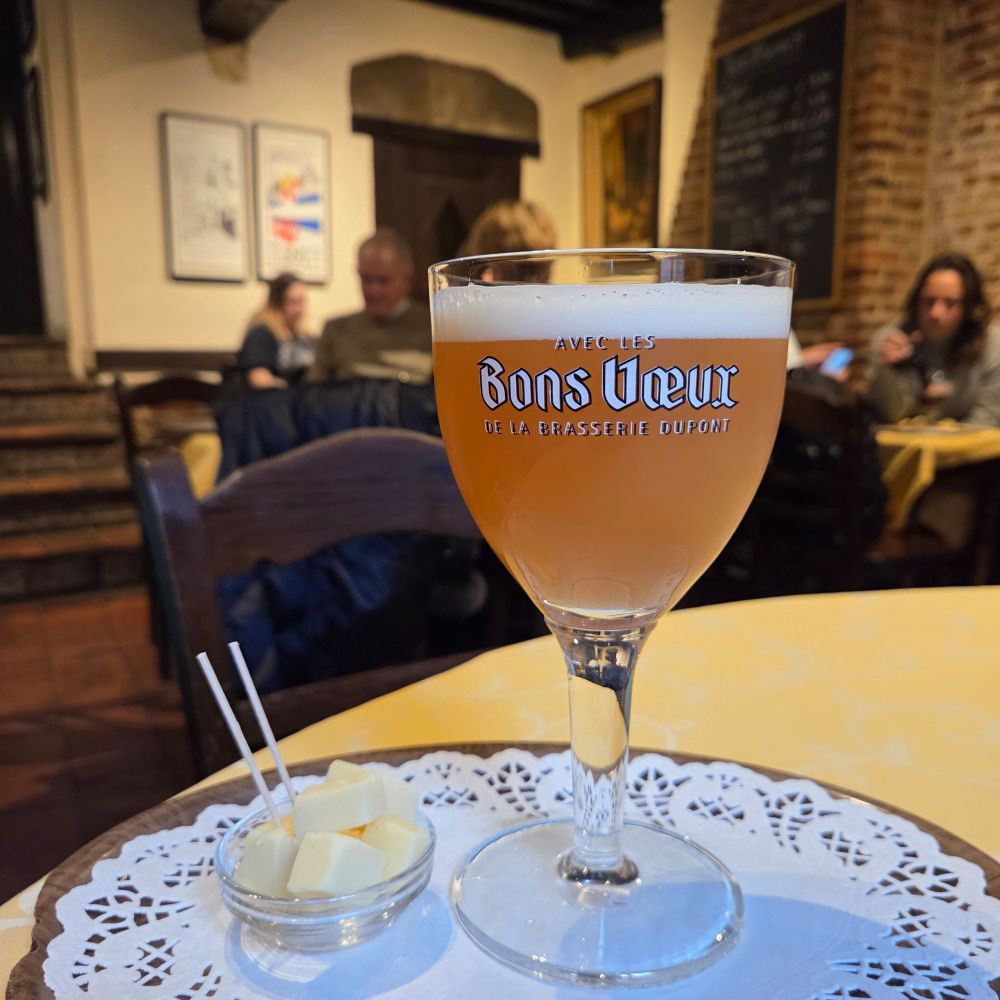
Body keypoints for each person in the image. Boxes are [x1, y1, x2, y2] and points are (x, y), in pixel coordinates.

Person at [867, 253, 1000, 426]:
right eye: (928, 301)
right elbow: (890, 415)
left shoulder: (992, 343)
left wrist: (943, 440)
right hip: (908, 446)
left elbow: (989, 418)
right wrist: (885, 370)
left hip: (973, 448)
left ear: (969, 308)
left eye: (950, 303)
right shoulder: (893, 341)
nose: (935, 313)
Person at [308, 229, 432, 385]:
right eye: (366, 279)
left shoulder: (435, 328)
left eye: (383, 280)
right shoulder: (336, 329)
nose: (374, 290)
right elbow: (312, 396)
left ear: (407, 279)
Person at [237, 273, 314, 388]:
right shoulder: (261, 334)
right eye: (292, 302)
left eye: (301, 302)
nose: (299, 309)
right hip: (275, 401)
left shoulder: (304, 336)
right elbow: (259, 378)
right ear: (276, 303)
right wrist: (290, 391)